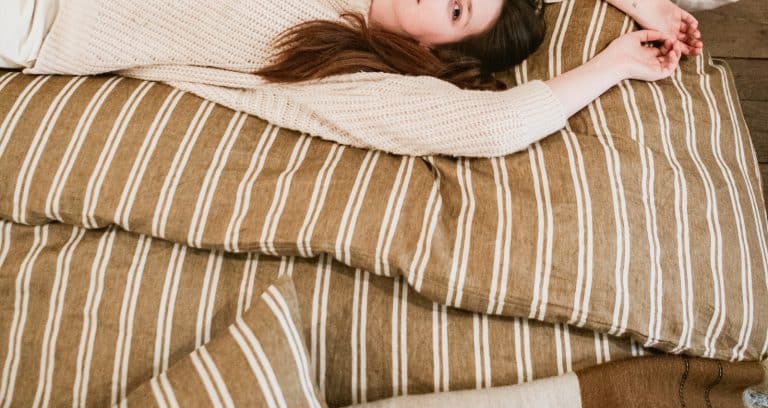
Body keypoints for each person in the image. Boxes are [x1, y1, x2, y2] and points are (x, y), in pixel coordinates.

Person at [1, 0, 703, 157]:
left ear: (438, 51)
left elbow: (496, 125)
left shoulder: (346, 65)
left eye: (455, 9)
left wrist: (616, 62)